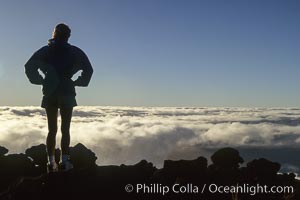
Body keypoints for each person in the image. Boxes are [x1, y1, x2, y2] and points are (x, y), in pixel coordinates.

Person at [25, 23, 93, 172]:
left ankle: (50, 163)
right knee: (65, 129)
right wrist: (78, 82)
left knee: (52, 129)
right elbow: (88, 69)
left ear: (54, 34)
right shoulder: (75, 52)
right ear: (68, 36)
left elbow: (29, 66)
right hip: (67, 92)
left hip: (50, 92)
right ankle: (64, 162)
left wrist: (41, 80)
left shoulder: (45, 51)